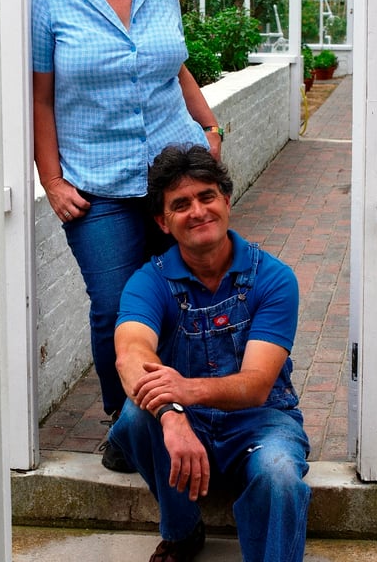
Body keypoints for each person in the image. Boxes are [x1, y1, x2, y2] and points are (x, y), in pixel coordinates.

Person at [30, 0, 223, 472]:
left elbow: (173, 66)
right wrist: (52, 181)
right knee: (115, 306)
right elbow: (39, 97)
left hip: (173, 178)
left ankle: (182, 413)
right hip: (98, 183)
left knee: (183, 297)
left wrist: (209, 125)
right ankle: (126, 422)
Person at [108, 145, 311, 562]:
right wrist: (172, 414)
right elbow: (130, 354)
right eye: (181, 205)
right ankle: (182, 532)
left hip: (261, 422)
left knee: (280, 476)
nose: (198, 211)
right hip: (188, 423)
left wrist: (185, 390)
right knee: (132, 419)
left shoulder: (272, 278)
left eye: (206, 197)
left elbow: (256, 385)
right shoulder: (151, 281)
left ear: (226, 200)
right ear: (163, 223)